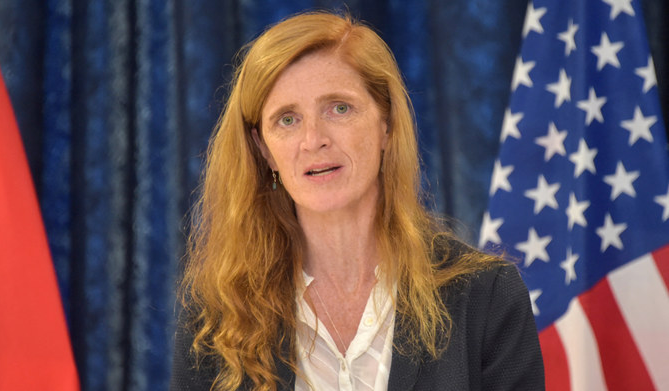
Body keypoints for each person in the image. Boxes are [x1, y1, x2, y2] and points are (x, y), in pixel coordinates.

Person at [170, 11, 544, 391]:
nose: (313, 139)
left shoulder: (485, 296)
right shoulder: (216, 320)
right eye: (287, 119)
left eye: (340, 108)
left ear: (387, 125)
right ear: (263, 149)